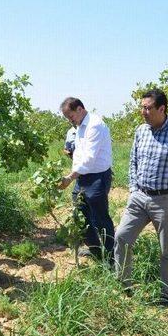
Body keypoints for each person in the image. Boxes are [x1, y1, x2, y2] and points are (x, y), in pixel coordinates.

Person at [113, 89, 168, 305]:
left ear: (162, 109)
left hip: (166, 200)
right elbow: (133, 161)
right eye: (142, 107)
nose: (143, 112)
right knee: (122, 238)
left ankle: (166, 295)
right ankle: (124, 285)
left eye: (148, 108)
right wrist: (133, 189)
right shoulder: (141, 130)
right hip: (139, 197)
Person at [58, 97, 114, 262]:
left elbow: (89, 159)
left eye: (71, 116)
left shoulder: (94, 125)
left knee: (100, 219)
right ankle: (95, 250)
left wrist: (69, 177)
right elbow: (79, 155)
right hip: (82, 178)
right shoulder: (80, 126)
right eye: (68, 118)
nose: (70, 120)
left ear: (80, 109)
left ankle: (111, 257)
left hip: (97, 178)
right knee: (81, 216)